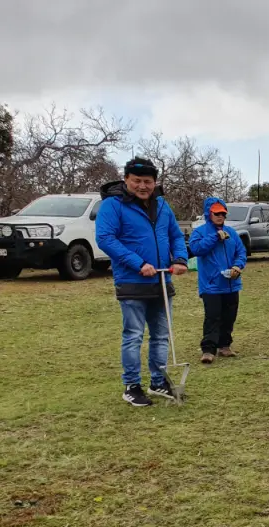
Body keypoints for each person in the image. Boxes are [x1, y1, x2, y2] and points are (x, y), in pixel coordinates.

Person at [95, 157, 189, 407]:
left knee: (161, 336)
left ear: (154, 182)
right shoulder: (112, 206)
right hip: (132, 281)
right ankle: (132, 386)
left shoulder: (162, 205)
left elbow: (175, 235)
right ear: (126, 179)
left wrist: (180, 259)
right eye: (137, 181)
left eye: (147, 181)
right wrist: (138, 263)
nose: (142, 186)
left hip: (161, 279)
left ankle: (158, 381)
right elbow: (105, 239)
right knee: (134, 335)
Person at [188, 197, 248, 364]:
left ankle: (225, 346)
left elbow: (241, 252)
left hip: (231, 284)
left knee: (229, 316)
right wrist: (215, 238)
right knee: (213, 317)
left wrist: (237, 266)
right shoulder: (200, 232)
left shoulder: (232, 232)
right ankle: (208, 350)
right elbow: (196, 249)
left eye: (223, 213)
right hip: (211, 285)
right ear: (209, 213)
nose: (220, 216)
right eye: (216, 213)